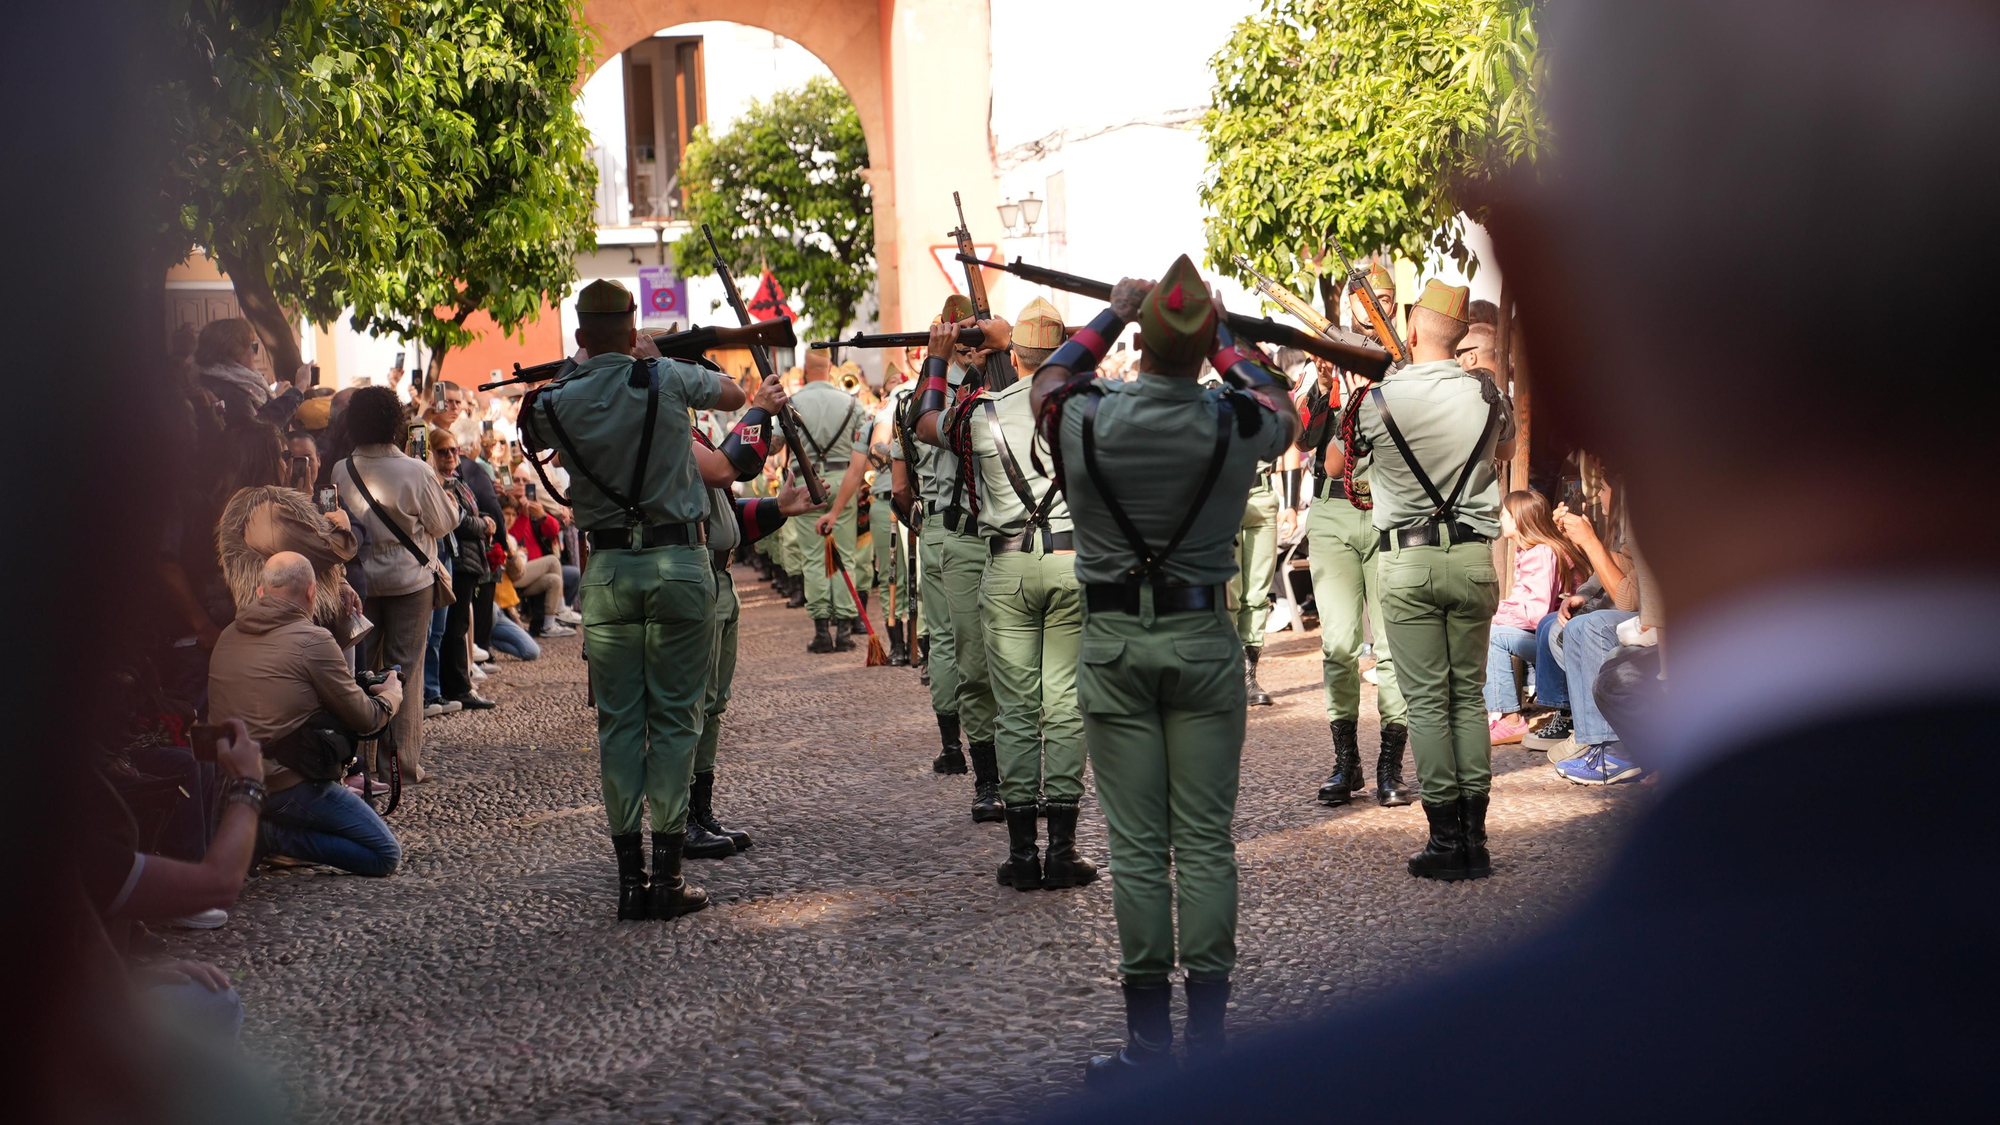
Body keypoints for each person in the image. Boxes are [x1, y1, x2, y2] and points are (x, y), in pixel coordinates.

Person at [1028, 256, 1300, 1081]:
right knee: (1207, 843)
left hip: (1114, 642)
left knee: (1140, 849)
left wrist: (1112, 313)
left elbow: (1047, 381)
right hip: (1202, 640)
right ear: (1203, 345)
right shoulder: (1234, 420)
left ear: (1140, 344)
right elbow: (1283, 406)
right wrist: (1223, 336)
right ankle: (1208, 1042)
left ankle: (1148, 1044)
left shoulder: (1087, 414)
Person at [517, 279, 747, 921]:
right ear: (633, 325)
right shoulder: (666, 377)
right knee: (675, 720)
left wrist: (579, 364)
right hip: (679, 565)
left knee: (618, 725)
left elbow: (535, 421)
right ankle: (667, 877)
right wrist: (652, 357)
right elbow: (734, 392)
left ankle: (628, 880)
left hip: (609, 570)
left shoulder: (555, 399)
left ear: (581, 335)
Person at [1347, 279, 1515, 880]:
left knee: (1425, 703)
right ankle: (1475, 840)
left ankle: (1446, 841)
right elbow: (1504, 453)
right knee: (1467, 697)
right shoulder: (1490, 395)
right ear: (1461, 337)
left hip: (1408, 561)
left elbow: (1346, 470)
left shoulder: (1377, 400)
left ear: (1412, 329)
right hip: (1472, 557)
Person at [935, 297, 1099, 892]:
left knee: (1015, 711)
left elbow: (925, 421)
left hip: (1005, 567)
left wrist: (939, 360)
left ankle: (1023, 854)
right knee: (1064, 708)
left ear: (1016, 353)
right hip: (1072, 563)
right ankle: (1063, 851)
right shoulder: (1088, 407)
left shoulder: (981, 412)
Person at [686, 372, 821, 858]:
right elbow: (726, 470)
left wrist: (778, 507)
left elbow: (725, 515)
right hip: (695, 580)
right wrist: (759, 409)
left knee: (712, 706)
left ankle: (700, 812)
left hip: (719, 578)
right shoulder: (662, 426)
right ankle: (681, 820)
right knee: (690, 708)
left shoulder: (688, 427)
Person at [1296, 263, 1412, 808]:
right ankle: (1347, 762)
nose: (1374, 307)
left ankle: (1391, 763)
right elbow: (1305, 441)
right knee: (1338, 645)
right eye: (1364, 298)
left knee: (1390, 647)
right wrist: (1324, 388)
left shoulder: (1406, 362)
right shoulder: (1328, 357)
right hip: (1335, 511)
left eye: (1382, 297)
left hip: (1389, 508)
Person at [207, 553, 404, 875]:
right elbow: (366, 719)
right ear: (312, 592)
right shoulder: (313, 639)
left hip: (231, 781)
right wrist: (392, 695)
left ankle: (266, 830)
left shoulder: (228, 634)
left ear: (260, 591)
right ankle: (268, 836)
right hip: (285, 783)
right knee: (384, 854)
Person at [911, 293, 1012, 823]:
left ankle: (1027, 776)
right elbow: (925, 423)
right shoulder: (938, 394)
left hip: (1015, 540)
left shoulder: (1014, 385)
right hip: (965, 537)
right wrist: (945, 363)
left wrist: (1006, 350)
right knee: (972, 664)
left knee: (1025, 669)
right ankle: (986, 778)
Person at [333, 385, 458, 784]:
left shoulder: (341, 469)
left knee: (363, 670)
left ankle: (362, 761)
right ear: (396, 422)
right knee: (405, 670)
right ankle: (400, 765)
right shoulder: (415, 470)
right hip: (410, 580)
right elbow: (443, 523)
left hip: (361, 582)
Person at [1484, 490, 1587, 744]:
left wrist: (1496, 613)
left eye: (1505, 514)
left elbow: (1536, 613)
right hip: (1551, 634)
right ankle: (1499, 713)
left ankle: (1509, 720)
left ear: (1519, 519)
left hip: (1560, 639)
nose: (1500, 518)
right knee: (1491, 629)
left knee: (1492, 635)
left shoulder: (1542, 553)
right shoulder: (1530, 550)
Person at [788, 350, 874, 652]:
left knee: (814, 558)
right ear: (830, 368)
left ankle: (822, 631)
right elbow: (864, 447)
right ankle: (844, 632)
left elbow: (775, 444)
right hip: (844, 480)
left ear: (805, 369)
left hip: (807, 483)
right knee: (845, 554)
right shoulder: (851, 402)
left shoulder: (792, 402)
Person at [425, 427, 495, 712]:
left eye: (454, 450)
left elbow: (469, 511)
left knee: (454, 628)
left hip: (464, 557)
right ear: (431, 453)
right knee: (451, 629)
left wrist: (485, 519)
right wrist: (483, 525)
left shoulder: (456, 479)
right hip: (455, 557)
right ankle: (451, 687)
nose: (451, 456)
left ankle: (450, 686)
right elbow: (457, 519)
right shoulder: (436, 482)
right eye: (443, 451)